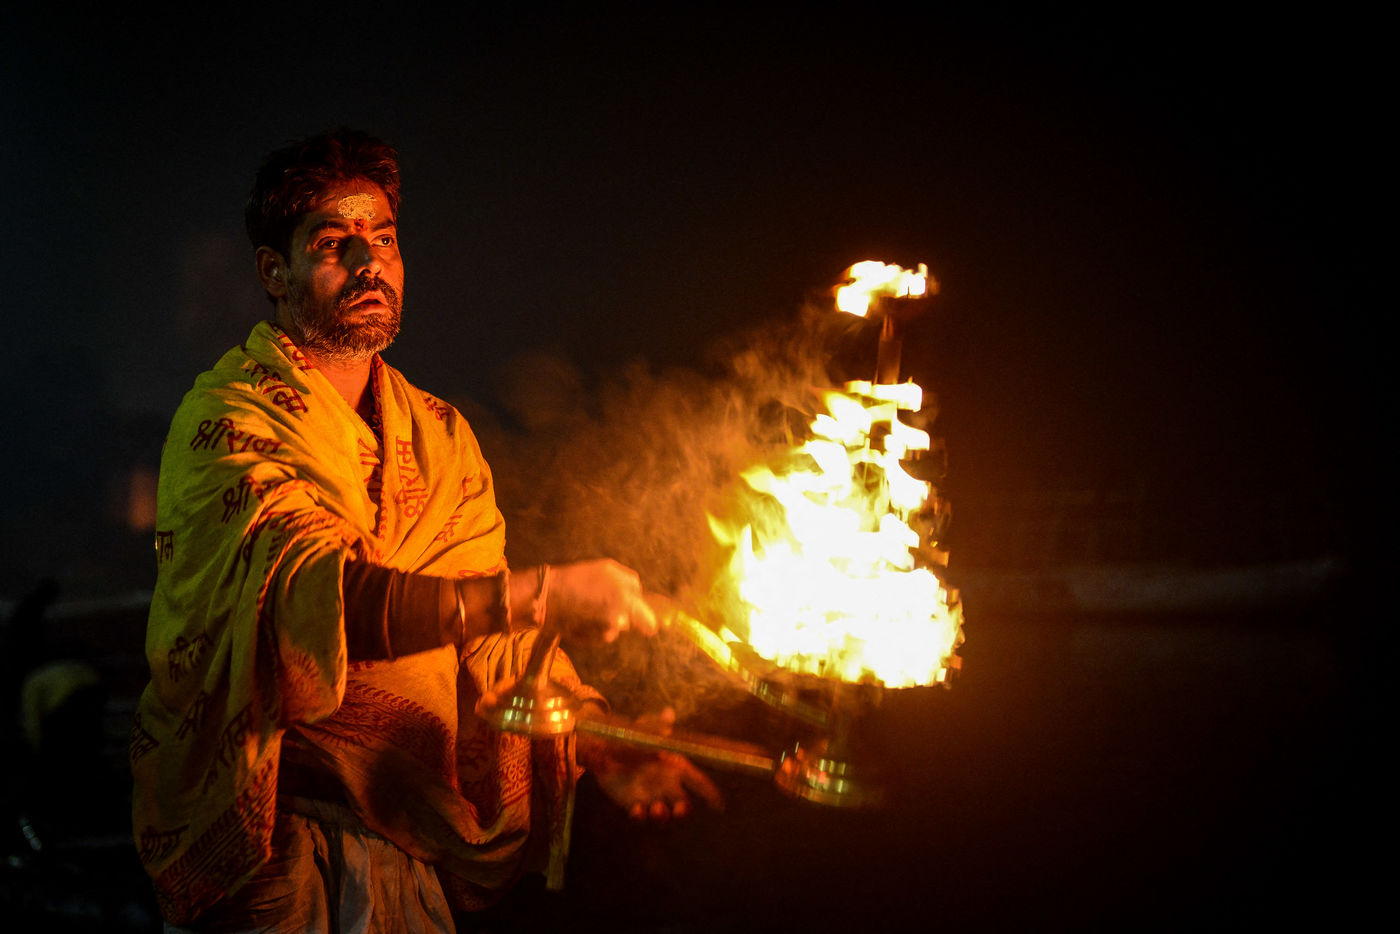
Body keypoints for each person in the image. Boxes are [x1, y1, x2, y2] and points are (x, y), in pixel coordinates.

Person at [131, 128, 720, 932]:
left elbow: (495, 646)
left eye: (384, 239)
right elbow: (314, 602)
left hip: (410, 850)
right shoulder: (228, 420)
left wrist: (601, 741)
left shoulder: (440, 434)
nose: (369, 264)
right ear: (273, 272)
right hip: (271, 845)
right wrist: (545, 594)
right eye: (333, 244)